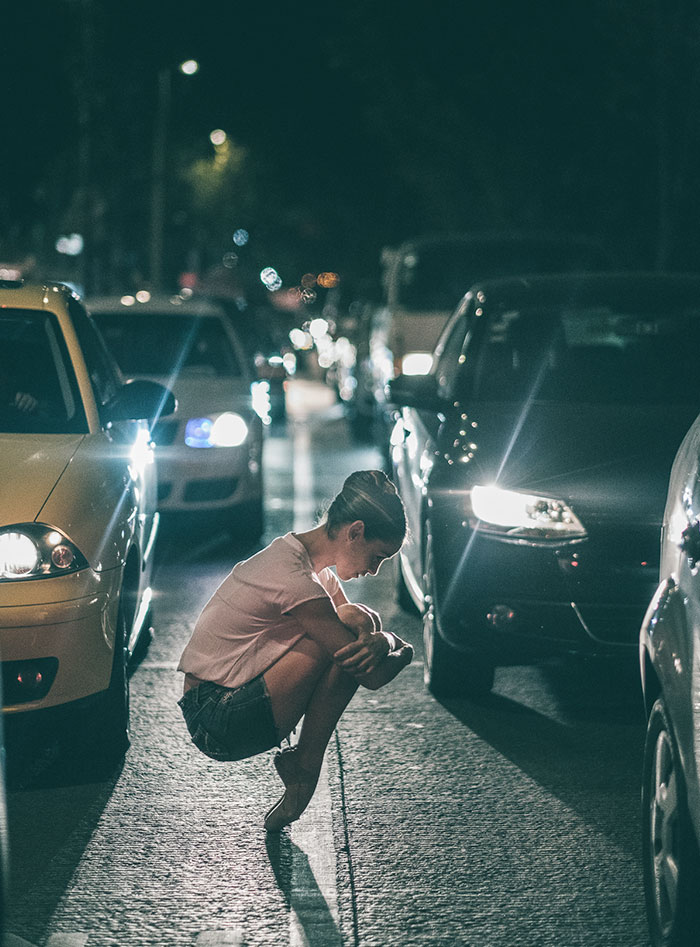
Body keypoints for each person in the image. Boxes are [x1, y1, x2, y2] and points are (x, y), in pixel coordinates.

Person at [177, 469, 414, 831]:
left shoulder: (315, 572)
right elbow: (371, 673)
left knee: (347, 632)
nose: (374, 570)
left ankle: (303, 769)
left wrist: (379, 635)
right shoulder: (293, 577)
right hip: (214, 717)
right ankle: (305, 767)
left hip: (231, 706)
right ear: (355, 532)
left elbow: (360, 625)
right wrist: (402, 647)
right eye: (378, 556)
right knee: (341, 643)